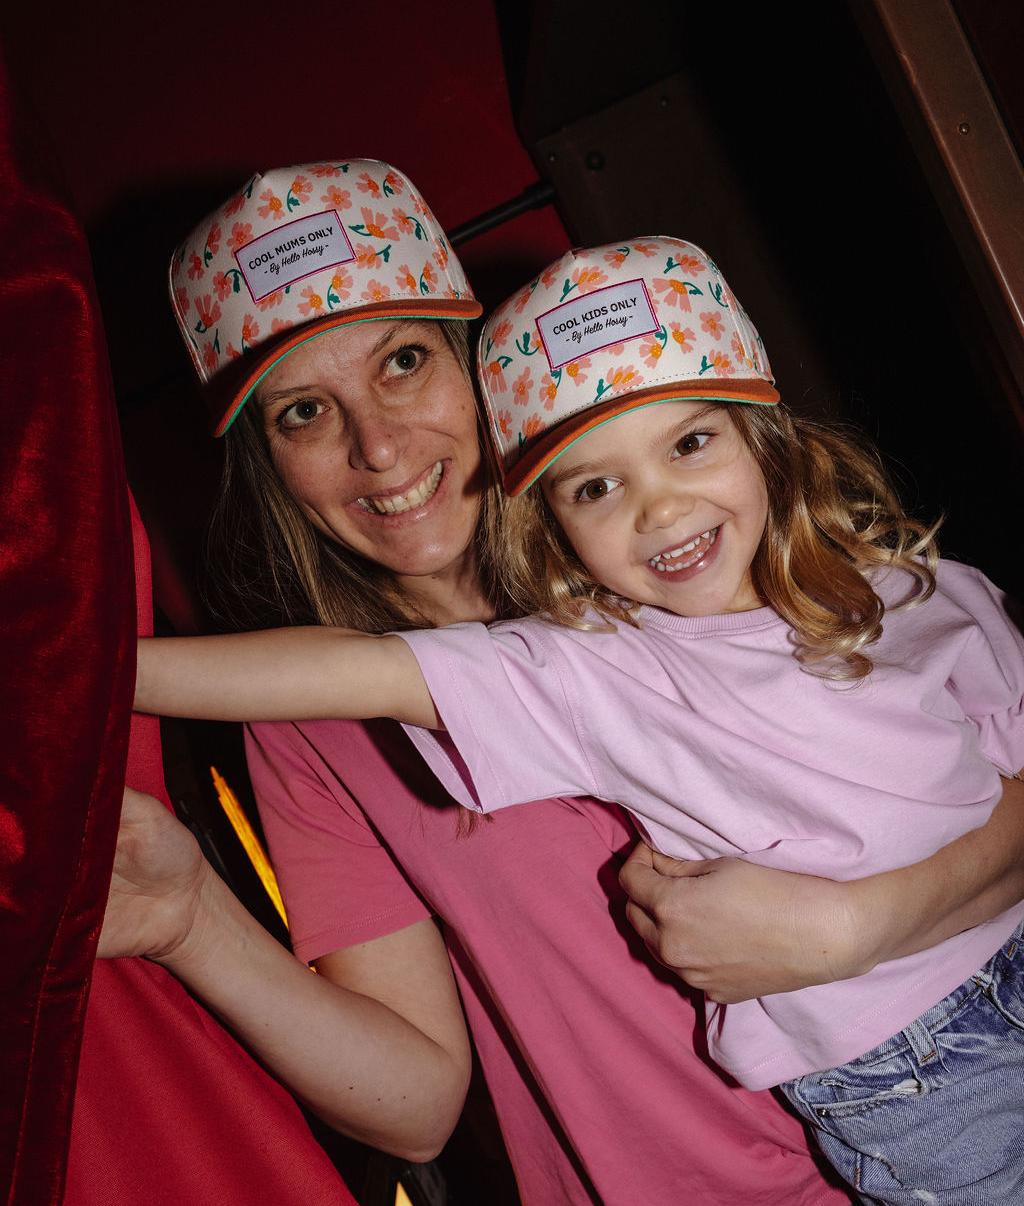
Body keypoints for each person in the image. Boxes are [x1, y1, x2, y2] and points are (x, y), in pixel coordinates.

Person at [117, 171, 1024, 1203]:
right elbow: (414, 1105)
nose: (377, 447)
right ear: (267, 464)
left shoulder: (709, 564)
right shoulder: (311, 716)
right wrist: (191, 921)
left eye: (405, 362)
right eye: (303, 413)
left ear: (488, 363)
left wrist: (853, 929)